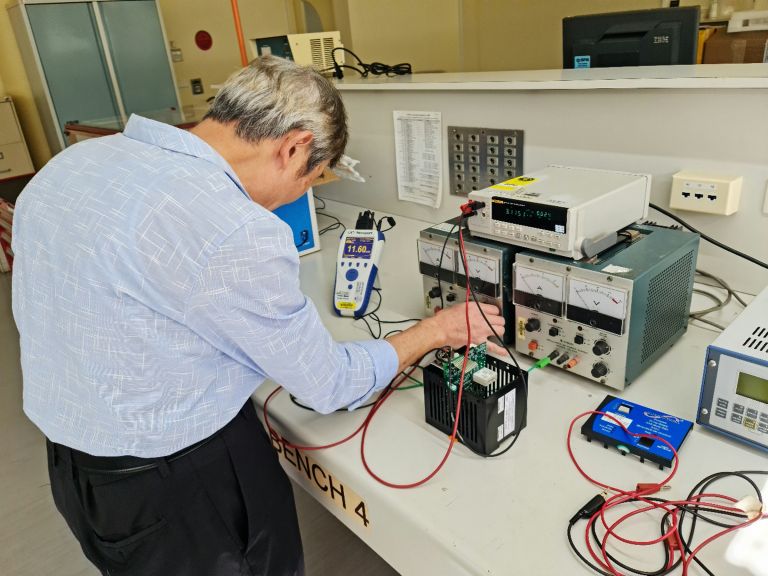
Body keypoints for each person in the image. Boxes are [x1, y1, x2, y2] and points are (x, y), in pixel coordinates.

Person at [11, 56, 504, 576]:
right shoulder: (232, 227)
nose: (299, 195)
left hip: (77, 471)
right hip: (178, 486)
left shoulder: (75, 162)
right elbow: (329, 385)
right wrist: (435, 331)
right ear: (292, 147)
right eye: (311, 178)